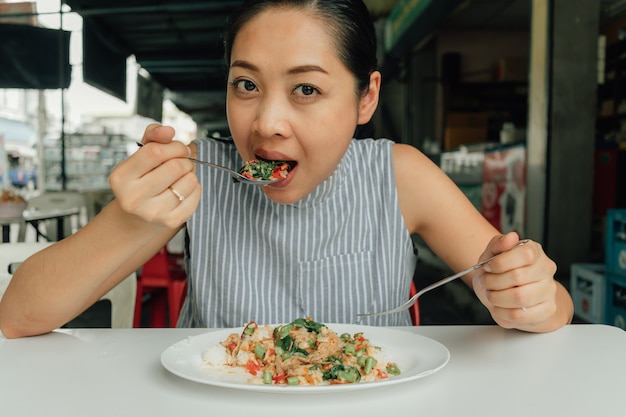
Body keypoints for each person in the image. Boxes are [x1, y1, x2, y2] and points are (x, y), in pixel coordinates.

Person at [0, 0, 573, 338]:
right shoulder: (200, 173)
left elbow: (552, 308)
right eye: (246, 85)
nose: (267, 123)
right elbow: (20, 314)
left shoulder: (401, 176)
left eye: (306, 89)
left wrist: (526, 294)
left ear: (366, 98)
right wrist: (132, 219)